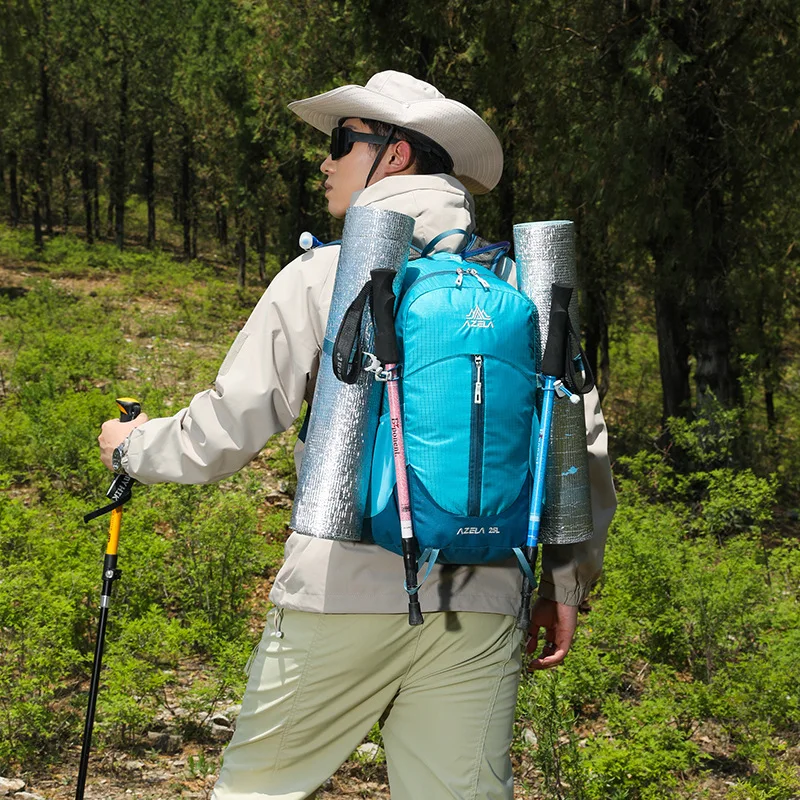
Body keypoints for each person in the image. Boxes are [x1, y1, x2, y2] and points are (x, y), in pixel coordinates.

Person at [98, 70, 616, 800]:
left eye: (343, 141)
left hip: (339, 589)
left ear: (396, 154)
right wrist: (564, 581)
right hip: (485, 594)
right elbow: (580, 442)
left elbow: (225, 427)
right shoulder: (522, 286)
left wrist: (130, 447)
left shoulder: (325, 275)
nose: (326, 161)